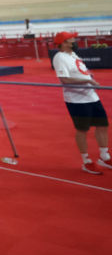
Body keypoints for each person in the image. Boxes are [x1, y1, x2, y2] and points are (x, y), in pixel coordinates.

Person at [52, 31, 110, 174]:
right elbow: (64, 80)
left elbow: (78, 71)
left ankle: (104, 156)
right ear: (64, 43)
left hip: (92, 97)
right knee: (82, 130)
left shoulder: (73, 54)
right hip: (77, 101)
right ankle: (86, 161)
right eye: (72, 39)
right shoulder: (60, 57)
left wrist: (88, 75)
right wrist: (88, 80)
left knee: (102, 126)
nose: (75, 41)